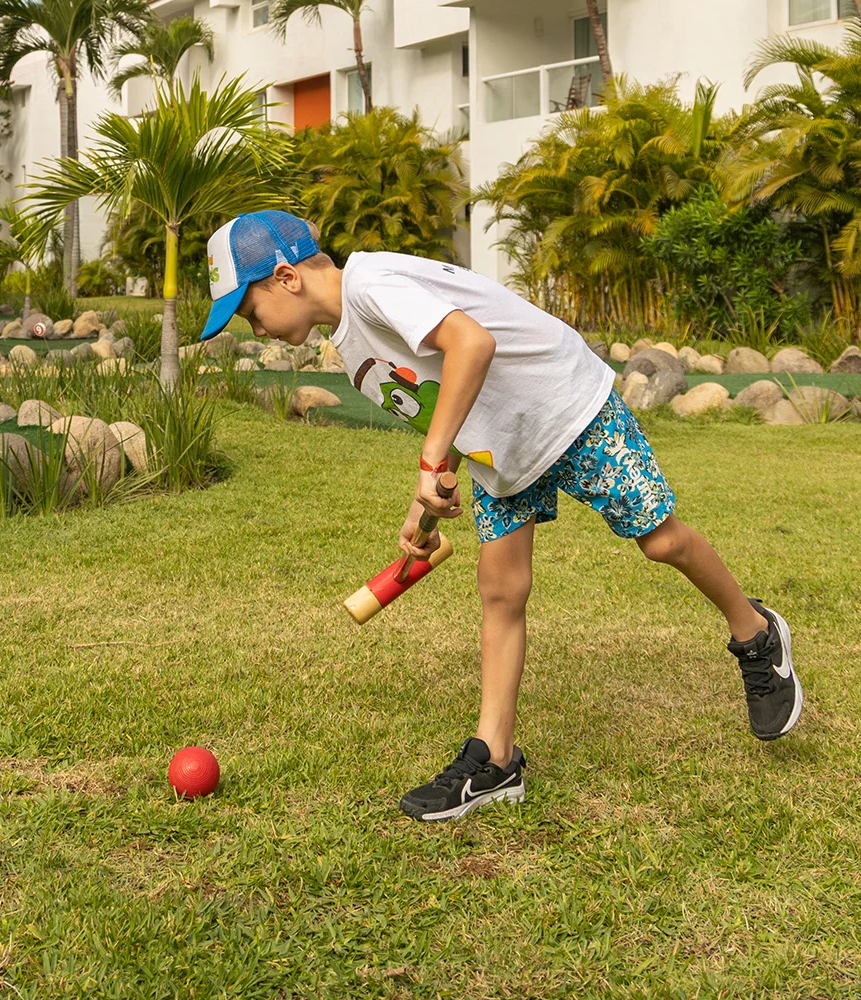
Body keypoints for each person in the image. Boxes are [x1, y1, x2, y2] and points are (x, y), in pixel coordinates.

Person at [199, 210, 803, 822]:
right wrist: (425, 496)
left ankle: (756, 632)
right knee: (500, 589)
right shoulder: (350, 341)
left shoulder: (371, 284)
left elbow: (472, 343)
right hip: (501, 445)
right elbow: (442, 397)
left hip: (564, 408)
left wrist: (429, 458)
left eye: (250, 312)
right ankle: (495, 760)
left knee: (661, 542)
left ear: (284, 277)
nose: (257, 328)